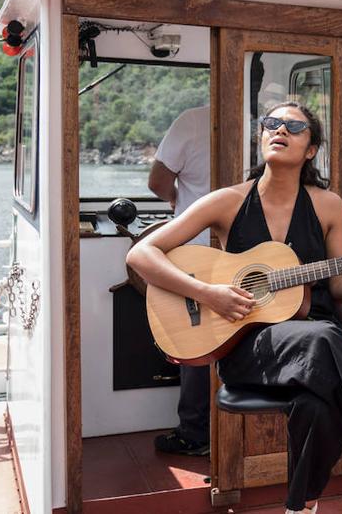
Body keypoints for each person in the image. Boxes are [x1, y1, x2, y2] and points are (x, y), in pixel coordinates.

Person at [127, 102, 342, 514]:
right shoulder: (226, 202)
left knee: (317, 401)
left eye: (293, 126)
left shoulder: (328, 205)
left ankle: (299, 507)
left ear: (311, 149)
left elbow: (338, 288)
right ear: (262, 137)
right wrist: (208, 294)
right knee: (327, 336)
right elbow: (142, 255)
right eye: (272, 124)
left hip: (314, 343)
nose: (279, 130)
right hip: (247, 346)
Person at [147, 104, 212, 457]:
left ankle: (195, 431)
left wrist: (179, 203)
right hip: (258, 246)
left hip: (199, 248)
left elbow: (157, 182)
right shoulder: (272, 125)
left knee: (196, 340)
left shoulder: (192, 120)